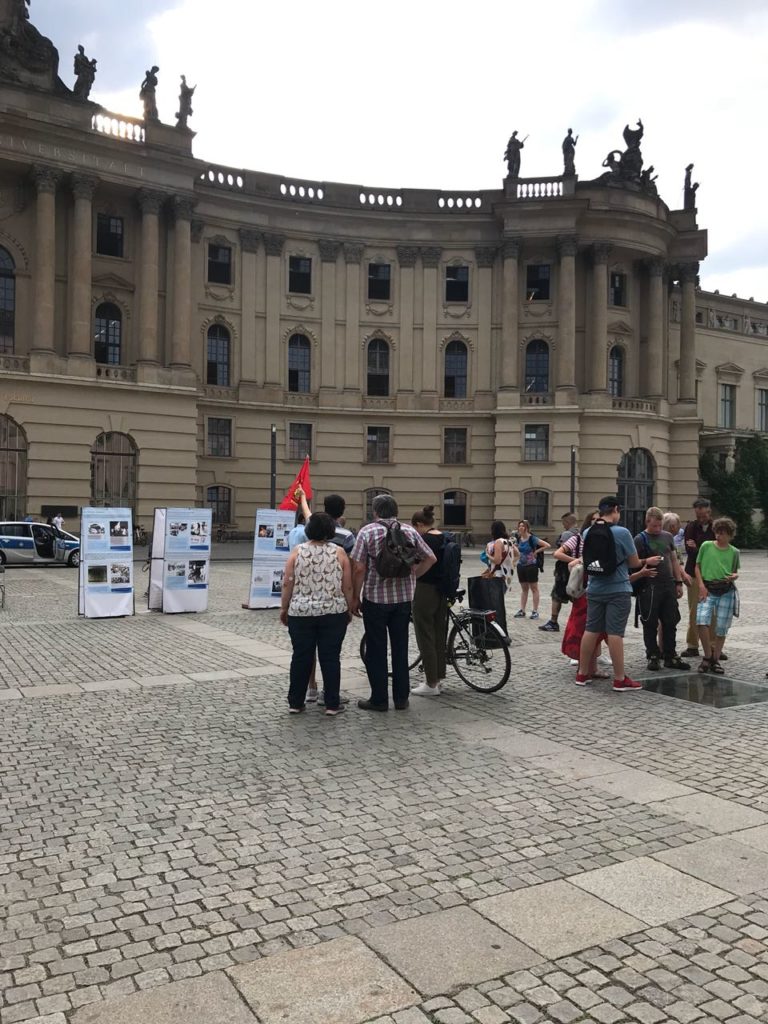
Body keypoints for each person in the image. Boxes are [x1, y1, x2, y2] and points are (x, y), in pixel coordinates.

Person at [351, 494, 436, 711]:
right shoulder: (409, 531)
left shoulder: (367, 532)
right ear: (396, 511)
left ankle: (379, 699)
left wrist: (355, 597)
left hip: (375, 599)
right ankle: (401, 699)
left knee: (376, 649)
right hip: (403, 600)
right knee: (400, 648)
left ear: (375, 511)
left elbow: (359, 568)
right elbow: (431, 558)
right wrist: (414, 576)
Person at [576, 496, 662, 691]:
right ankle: (620, 679)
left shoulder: (588, 531)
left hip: (594, 588)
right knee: (615, 633)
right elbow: (634, 563)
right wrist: (646, 561)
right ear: (615, 509)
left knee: (591, 630)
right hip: (618, 589)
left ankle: (582, 673)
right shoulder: (622, 532)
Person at [280, 513, 355, 716]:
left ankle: (296, 702)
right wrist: (349, 608)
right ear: (330, 530)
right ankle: (332, 704)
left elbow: (287, 582)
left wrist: (284, 607)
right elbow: (347, 585)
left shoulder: (297, 551)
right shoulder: (339, 552)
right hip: (333, 612)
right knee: (330, 658)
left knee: (301, 657)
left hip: (301, 612)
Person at [631, 507, 689, 672]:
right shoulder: (639, 539)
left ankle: (670, 655)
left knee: (671, 621)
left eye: (659, 525)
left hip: (668, 584)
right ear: (647, 522)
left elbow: (674, 560)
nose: (657, 529)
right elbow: (633, 562)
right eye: (654, 526)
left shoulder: (667, 536)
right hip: (649, 586)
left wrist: (678, 582)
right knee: (650, 623)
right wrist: (646, 561)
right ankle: (653, 655)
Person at [555, 510, 607, 677]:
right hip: (582, 586)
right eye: (594, 519)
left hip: (597, 584)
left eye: (599, 519)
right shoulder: (579, 538)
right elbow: (558, 553)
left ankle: (593, 665)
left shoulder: (603, 537)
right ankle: (583, 664)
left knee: (596, 626)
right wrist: (577, 561)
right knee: (583, 625)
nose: (597, 522)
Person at [410, 506, 448, 697]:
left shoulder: (424, 539)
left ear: (419, 524)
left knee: (425, 634)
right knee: (439, 635)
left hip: (425, 590)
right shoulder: (444, 537)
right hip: (442, 591)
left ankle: (431, 683)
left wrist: (415, 576)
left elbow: (420, 562)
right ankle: (438, 678)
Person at [695, 517, 740, 674]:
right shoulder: (706, 546)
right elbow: (697, 566)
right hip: (708, 588)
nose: (718, 536)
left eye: (722, 533)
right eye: (717, 532)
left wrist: (734, 576)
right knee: (701, 621)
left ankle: (715, 659)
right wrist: (701, 586)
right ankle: (707, 656)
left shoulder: (734, 552)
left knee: (722, 627)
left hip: (726, 590)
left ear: (730, 535)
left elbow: (735, 571)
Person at [682, 499, 715, 658]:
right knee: (694, 610)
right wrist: (702, 548)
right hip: (693, 573)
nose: (701, 518)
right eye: (698, 515)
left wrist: (698, 546)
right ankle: (692, 645)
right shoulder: (690, 527)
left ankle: (713, 646)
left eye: (704, 515)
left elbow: (715, 550)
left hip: (713, 574)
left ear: (709, 512)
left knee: (713, 612)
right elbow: (690, 550)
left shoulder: (716, 527)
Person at [539, 512, 579, 632]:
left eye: (563, 523)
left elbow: (562, 551)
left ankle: (553, 622)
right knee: (576, 595)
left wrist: (558, 553)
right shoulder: (580, 533)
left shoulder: (567, 534)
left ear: (567, 522)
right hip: (577, 570)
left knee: (556, 595)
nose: (563, 525)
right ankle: (577, 622)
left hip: (564, 570)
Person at [513, 520, 549, 619]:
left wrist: (536, 551)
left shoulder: (532, 538)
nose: (520, 527)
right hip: (521, 566)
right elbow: (516, 552)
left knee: (534, 588)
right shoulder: (518, 539)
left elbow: (547, 545)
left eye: (523, 526)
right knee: (524, 589)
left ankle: (535, 611)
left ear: (527, 528)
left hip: (531, 566)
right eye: (519, 526)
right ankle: (522, 610)